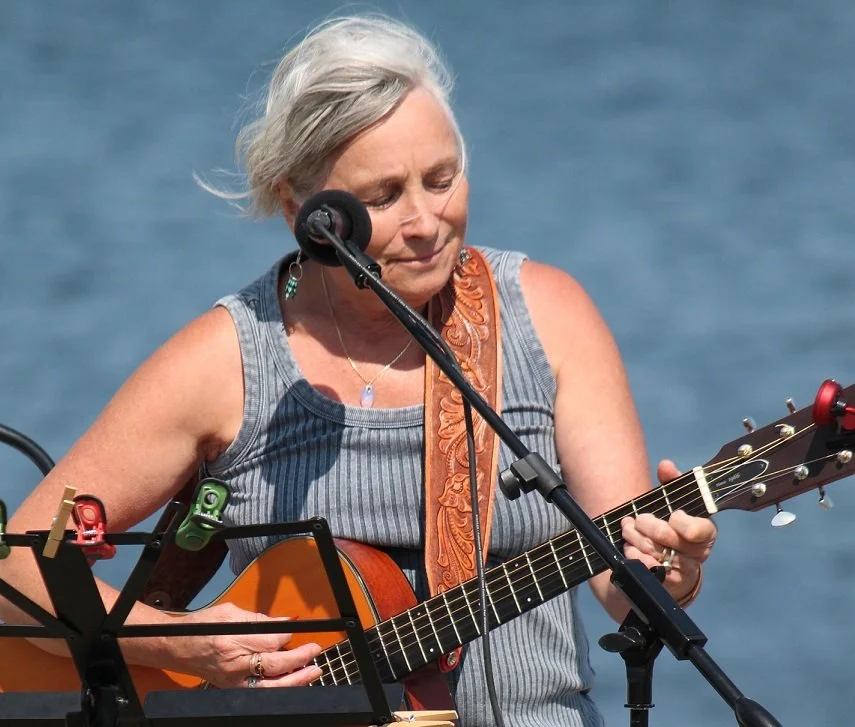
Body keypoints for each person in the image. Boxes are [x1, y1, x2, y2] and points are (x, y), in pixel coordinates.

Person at [0, 15, 716, 726]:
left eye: (441, 179)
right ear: (298, 208)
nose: (425, 221)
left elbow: (619, 579)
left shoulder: (548, 317)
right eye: (382, 197)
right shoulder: (224, 361)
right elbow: (15, 573)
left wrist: (666, 578)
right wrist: (184, 644)